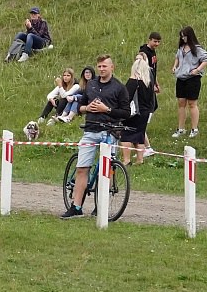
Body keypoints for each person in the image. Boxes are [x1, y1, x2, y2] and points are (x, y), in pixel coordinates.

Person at [61, 54, 131, 218]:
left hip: (110, 132)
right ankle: (76, 206)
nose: (101, 69)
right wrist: (88, 108)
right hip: (90, 130)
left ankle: (101, 205)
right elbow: (79, 106)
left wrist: (106, 110)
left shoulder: (120, 88)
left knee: (107, 170)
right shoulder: (91, 85)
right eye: (99, 66)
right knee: (82, 168)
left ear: (112, 67)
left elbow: (126, 112)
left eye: (104, 66)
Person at [171, 25, 207, 139]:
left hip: (192, 79)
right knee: (181, 103)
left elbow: (206, 59)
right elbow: (177, 58)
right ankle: (181, 128)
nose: (183, 39)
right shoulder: (181, 48)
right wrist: (175, 67)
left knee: (192, 104)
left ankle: (194, 128)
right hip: (181, 78)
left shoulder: (197, 49)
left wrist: (197, 70)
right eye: (182, 37)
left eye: (185, 37)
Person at [120, 53, 155, 165]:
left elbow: (126, 97)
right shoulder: (148, 83)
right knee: (140, 135)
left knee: (126, 135)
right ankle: (140, 159)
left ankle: (127, 159)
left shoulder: (132, 81)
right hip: (145, 112)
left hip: (133, 113)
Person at [138, 32, 162, 151]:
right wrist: (149, 84)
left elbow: (154, 70)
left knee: (153, 106)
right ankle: (142, 131)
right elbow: (143, 70)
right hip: (145, 85)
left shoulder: (153, 52)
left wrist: (156, 83)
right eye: (155, 41)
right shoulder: (144, 52)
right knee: (148, 107)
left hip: (151, 82)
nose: (157, 44)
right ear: (149, 40)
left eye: (158, 42)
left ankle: (143, 129)